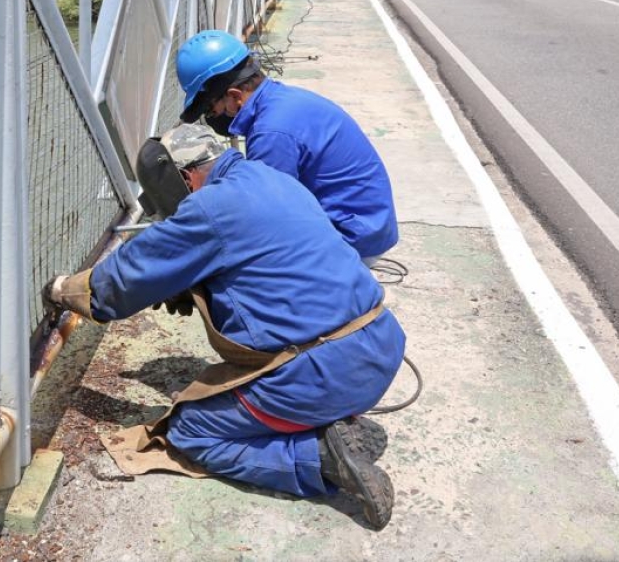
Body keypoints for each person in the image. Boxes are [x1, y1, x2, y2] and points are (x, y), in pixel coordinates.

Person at [44, 124, 406, 529]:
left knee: (191, 432)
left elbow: (120, 282)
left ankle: (320, 458)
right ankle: (328, 423)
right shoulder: (273, 179)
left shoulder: (210, 207)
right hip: (381, 346)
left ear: (184, 177)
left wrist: (64, 290)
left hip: (326, 373)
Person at [175, 30, 398, 262]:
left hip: (354, 238)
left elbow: (270, 215)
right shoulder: (282, 99)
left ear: (234, 96)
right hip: (370, 221)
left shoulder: (271, 133)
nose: (214, 116)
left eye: (212, 109)